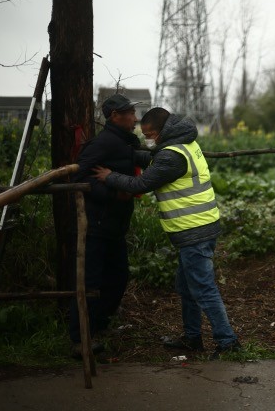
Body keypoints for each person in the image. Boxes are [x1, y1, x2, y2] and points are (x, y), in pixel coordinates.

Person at [91, 107, 240, 360]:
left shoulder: (172, 156)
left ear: (161, 132)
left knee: (203, 288)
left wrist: (110, 176)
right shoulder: (183, 145)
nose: (149, 139)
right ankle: (193, 337)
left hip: (194, 231)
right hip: (197, 228)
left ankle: (227, 342)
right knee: (186, 287)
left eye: (150, 135)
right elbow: (151, 159)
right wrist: (126, 153)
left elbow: (141, 183)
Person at [69, 94, 151, 357]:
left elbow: (133, 159)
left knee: (117, 278)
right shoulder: (103, 143)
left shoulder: (123, 142)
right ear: (115, 116)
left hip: (115, 227)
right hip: (97, 226)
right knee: (91, 282)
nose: (135, 118)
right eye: (130, 114)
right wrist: (114, 194)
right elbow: (80, 177)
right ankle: (80, 339)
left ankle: (99, 327)